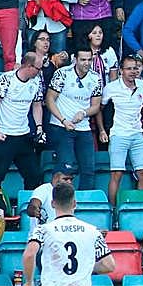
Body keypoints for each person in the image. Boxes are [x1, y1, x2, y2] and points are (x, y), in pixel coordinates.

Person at [44, 47, 103, 191]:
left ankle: (84, 205)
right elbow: (50, 99)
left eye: (89, 60)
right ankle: (59, 202)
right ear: (75, 59)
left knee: (89, 169)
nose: (86, 63)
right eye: (83, 60)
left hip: (83, 127)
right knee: (66, 167)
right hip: (61, 126)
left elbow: (96, 106)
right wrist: (63, 120)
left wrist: (84, 112)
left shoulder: (96, 77)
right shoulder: (62, 74)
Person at [0, 52, 45, 190]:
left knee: (34, 175)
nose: (40, 71)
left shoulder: (36, 81)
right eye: (38, 68)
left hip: (23, 134)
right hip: (4, 134)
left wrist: (39, 127)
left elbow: (37, 105)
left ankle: (29, 206)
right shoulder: (6, 79)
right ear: (29, 66)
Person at [102, 54, 143, 203]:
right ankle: (112, 211)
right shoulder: (111, 88)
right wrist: (102, 130)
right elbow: (100, 108)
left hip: (137, 133)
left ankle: (141, 209)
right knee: (117, 174)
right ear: (121, 71)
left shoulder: (142, 85)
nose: (132, 71)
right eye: (129, 68)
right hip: (118, 134)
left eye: (135, 68)